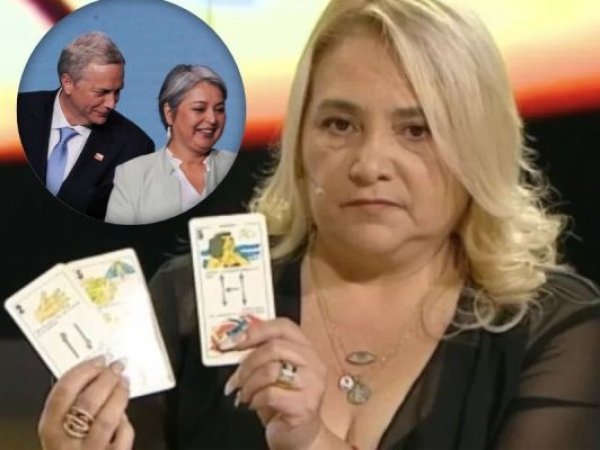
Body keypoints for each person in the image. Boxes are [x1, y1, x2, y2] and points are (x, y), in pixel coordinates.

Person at [37, 0, 600, 449]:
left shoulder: (558, 328)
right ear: (300, 141)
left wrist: (311, 440)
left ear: (478, 147)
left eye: (417, 130)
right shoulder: (188, 303)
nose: (370, 164)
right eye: (339, 124)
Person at [17, 31, 154, 220]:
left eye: (117, 92)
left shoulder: (134, 147)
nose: (111, 103)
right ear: (68, 83)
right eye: (101, 92)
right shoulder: (15, 113)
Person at [104, 64, 237, 225]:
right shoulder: (133, 176)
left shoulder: (238, 166)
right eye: (199, 109)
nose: (212, 119)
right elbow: (116, 237)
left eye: (219, 109)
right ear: (169, 113)